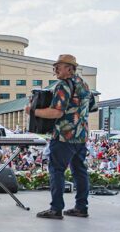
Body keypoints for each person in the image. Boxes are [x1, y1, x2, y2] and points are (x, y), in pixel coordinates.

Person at [26, 54, 93, 219]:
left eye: (59, 66)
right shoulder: (84, 84)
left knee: (56, 171)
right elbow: (91, 106)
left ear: (69, 69)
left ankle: (56, 209)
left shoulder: (63, 86)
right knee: (80, 171)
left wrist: (33, 111)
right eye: (55, 67)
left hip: (64, 136)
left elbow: (56, 111)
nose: (55, 69)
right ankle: (81, 207)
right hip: (81, 135)